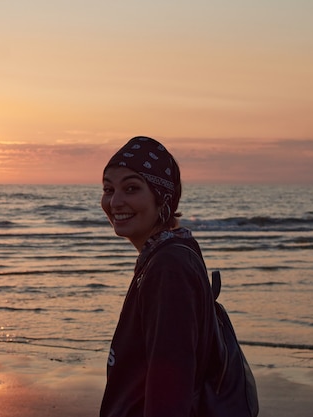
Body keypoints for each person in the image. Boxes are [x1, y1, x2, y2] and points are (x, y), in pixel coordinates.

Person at [99, 136, 216, 417]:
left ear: (162, 198)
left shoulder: (168, 267)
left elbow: (171, 384)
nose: (115, 201)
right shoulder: (169, 254)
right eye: (108, 189)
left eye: (131, 188)